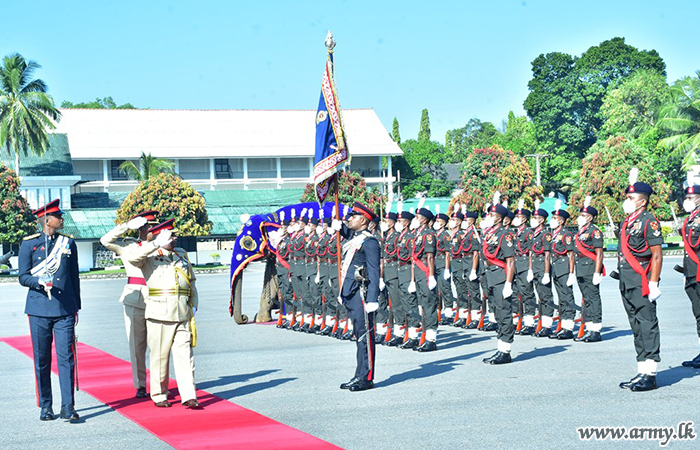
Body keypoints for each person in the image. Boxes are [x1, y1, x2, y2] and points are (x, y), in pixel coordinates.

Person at [128, 219, 202, 408]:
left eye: (174, 235)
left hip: (182, 311)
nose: (175, 238)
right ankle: (159, 393)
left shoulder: (181, 254)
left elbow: (191, 280)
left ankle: (189, 395)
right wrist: (155, 243)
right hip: (159, 312)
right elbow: (133, 259)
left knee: (185, 355)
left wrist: (194, 303)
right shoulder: (149, 252)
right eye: (171, 235)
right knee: (160, 356)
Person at [18, 199, 81, 421]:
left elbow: (74, 278)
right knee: (42, 359)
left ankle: (68, 406)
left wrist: (76, 307)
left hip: (64, 309)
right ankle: (46, 406)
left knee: (67, 358)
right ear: (47, 220)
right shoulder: (29, 244)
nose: (62, 219)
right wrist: (38, 282)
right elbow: (22, 276)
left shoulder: (68, 243)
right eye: (58, 216)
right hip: (38, 309)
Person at [100, 210, 159, 398]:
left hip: (158, 298)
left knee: (158, 346)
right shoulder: (129, 247)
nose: (152, 229)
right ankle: (140, 385)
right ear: (140, 228)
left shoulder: (161, 247)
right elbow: (105, 241)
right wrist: (126, 226)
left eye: (154, 226)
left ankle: (159, 384)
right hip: (135, 298)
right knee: (137, 346)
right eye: (148, 226)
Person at [617, 170, 663, 392]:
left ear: (642, 201)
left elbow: (656, 254)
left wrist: (653, 282)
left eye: (630, 198)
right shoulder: (628, 221)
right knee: (636, 325)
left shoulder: (648, 221)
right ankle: (642, 370)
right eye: (627, 197)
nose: (627, 201)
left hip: (642, 280)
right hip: (627, 281)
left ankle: (651, 374)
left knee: (647, 324)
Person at [334, 202, 381, 392]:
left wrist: (372, 298)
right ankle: (359, 374)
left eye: (353, 217)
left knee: (365, 336)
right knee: (358, 336)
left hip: (362, 295)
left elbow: (374, 270)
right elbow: (346, 231)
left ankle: (366, 377)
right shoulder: (356, 237)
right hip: (351, 294)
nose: (349, 219)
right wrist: (338, 225)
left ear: (363, 220)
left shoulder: (369, 242)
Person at [481, 201, 516, 364]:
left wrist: (508, 283)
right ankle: (500, 348)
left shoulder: (505, 234)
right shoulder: (490, 233)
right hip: (491, 276)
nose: (490, 217)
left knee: (504, 312)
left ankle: (505, 350)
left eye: (494, 215)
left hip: (501, 277)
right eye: (490, 214)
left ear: (501, 218)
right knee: (496, 312)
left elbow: (510, 261)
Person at [573, 197, 605, 343]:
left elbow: (599, 253)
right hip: (581, 268)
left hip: (591, 268)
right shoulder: (580, 232)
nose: (581, 218)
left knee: (593, 298)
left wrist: (597, 272)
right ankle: (590, 327)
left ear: (590, 218)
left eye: (584, 215)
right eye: (580, 215)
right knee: (586, 299)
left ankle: (596, 330)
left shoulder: (594, 231)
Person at [410, 207, 439, 352]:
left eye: (419, 217)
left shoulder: (428, 234)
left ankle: (431, 339)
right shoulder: (418, 234)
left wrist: (431, 276)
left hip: (426, 273)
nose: (416, 219)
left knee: (429, 305)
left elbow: (429, 257)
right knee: (423, 305)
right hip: (420, 273)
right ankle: (425, 337)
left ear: (425, 220)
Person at [548, 204, 577, 340]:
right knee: (561, 298)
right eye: (552, 217)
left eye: (555, 218)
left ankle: (568, 327)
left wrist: (571, 273)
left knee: (567, 297)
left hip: (564, 268)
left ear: (561, 221)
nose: (552, 220)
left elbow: (571, 255)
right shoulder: (554, 234)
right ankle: (563, 324)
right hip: (556, 268)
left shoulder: (566, 234)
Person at [681, 181, 700, 368]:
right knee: (698, 312)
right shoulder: (691, 218)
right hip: (692, 272)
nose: (687, 200)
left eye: (690, 197)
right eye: (686, 197)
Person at [530, 204, 556, 338]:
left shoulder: (545, 234)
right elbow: (530, 252)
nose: (533, 219)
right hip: (535, 266)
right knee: (540, 296)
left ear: (541, 220)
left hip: (542, 266)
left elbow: (547, 254)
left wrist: (546, 273)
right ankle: (542, 322)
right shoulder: (533, 233)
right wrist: (530, 269)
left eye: (536, 217)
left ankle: (547, 325)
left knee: (546, 296)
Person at [512, 203, 537, 335]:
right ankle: (517, 318)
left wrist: (530, 269)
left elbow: (531, 252)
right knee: (516, 293)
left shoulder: (528, 233)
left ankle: (529, 322)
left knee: (527, 294)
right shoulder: (516, 232)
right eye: (515, 216)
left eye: (519, 216)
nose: (516, 218)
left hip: (525, 265)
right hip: (516, 264)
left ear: (524, 219)